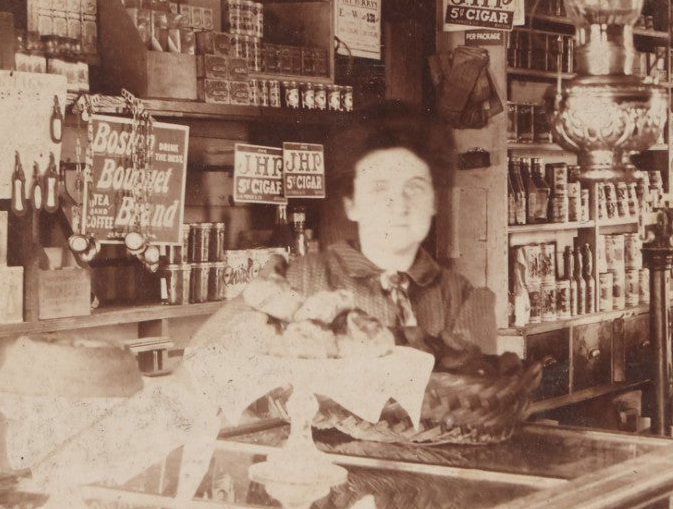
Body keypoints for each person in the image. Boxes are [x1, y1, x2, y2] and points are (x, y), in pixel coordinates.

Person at [194, 100, 496, 353]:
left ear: (434, 202)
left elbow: (483, 392)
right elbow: (207, 354)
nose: (399, 204)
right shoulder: (299, 279)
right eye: (379, 188)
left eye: (415, 188)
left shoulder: (461, 297)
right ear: (351, 203)